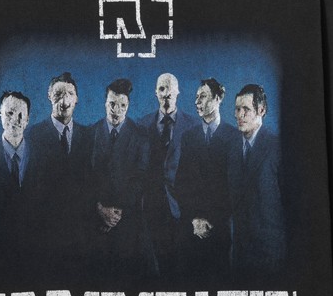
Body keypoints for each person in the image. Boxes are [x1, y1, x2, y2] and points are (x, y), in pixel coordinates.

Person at [24, 72, 95, 279]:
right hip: (45, 236)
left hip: (82, 236)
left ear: (77, 98)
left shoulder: (89, 136)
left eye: (70, 94)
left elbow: (93, 181)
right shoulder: (32, 136)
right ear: (49, 96)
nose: (64, 101)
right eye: (58, 94)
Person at [87, 78, 154, 279]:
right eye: (112, 104)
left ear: (128, 106)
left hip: (128, 221)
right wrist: (100, 209)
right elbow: (85, 178)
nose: (116, 110)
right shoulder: (90, 134)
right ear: (105, 103)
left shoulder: (140, 136)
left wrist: (115, 213)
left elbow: (141, 178)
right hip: (96, 220)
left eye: (122, 105)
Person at [177, 78, 243, 280]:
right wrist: (194, 219)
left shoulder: (234, 137)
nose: (197, 102)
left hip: (219, 231)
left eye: (203, 96)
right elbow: (180, 183)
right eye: (196, 97)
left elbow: (236, 187)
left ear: (218, 98)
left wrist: (211, 220)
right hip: (191, 230)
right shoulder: (188, 137)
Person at [227, 83, 286, 277]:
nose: (239, 115)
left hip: (271, 255)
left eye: (246, 109)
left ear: (261, 110)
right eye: (237, 109)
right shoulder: (232, 148)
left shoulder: (277, 148)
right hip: (239, 255)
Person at [135, 72, 187, 279]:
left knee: (179, 270)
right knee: (151, 269)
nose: (167, 93)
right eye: (162, 89)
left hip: (180, 208)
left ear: (178, 92)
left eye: (170, 88)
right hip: (149, 208)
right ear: (156, 93)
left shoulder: (191, 125)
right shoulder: (141, 125)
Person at [0, 90, 38, 275]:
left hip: (35, 255)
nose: (15, 119)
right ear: (0, 114)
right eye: (10, 113)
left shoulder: (42, 157)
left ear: (28, 120)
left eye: (21, 115)